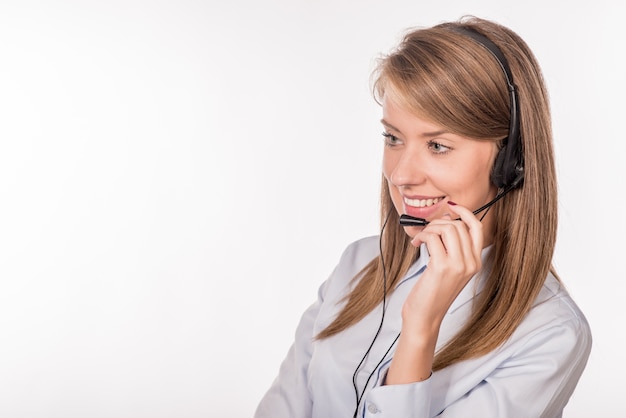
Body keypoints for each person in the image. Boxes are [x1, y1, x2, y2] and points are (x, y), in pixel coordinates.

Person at [254, 16, 592, 418]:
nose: (401, 175)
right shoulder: (356, 266)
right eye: (393, 138)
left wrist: (420, 328)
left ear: (510, 161)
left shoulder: (550, 334)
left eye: (438, 145)